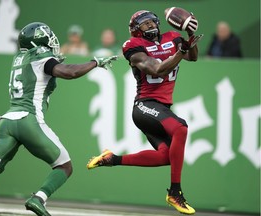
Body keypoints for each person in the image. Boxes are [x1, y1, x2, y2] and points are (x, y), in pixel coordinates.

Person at [0, 22, 117, 216]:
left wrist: (53, 63)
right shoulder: (41, 55)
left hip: (6, 122)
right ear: (40, 39)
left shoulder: (20, 57)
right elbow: (69, 72)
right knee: (64, 166)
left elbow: (42, 73)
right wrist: (94, 62)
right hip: (27, 120)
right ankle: (38, 198)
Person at [87, 10, 203, 215]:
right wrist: (179, 52)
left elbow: (192, 58)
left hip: (162, 109)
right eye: (144, 24)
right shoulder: (132, 46)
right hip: (144, 106)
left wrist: (190, 40)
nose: (150, 25)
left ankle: (112, 159)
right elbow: (157, 69)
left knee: (166, 156)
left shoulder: (172, 37)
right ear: (135, 30)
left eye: (152, 22)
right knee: (181, 128)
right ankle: (175, 192)